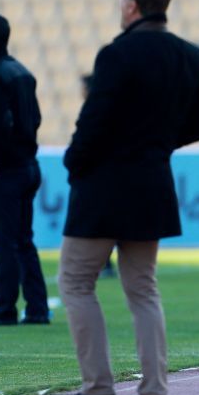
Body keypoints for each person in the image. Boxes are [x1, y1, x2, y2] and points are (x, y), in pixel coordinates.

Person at [45, 0, 199, 395]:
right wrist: (157, 145)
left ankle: (98, 390)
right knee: (143, 290)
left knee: (75, 282)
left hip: (103, 186)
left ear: (132, 6)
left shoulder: (117, 54)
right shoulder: (189, 54)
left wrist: (74, 162)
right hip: (152, 183)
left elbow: (94, 120)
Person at [0, 13, 50, 326]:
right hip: (29, 166)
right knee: (24, 240)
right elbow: (36, 118)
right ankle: (37, 308)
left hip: (7, 170)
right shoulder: (22, 72)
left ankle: (5, 309)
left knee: (4, 241)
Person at [80, 73, 115, 279]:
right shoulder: (106, 109)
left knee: (102, 224)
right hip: (105, 175)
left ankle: (104, 264)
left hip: (100, 177)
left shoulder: (96, 112)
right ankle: (105, 263)